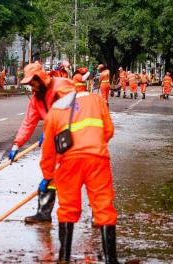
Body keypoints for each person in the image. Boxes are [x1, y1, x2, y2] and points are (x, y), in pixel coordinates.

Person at [40, 89, 119, 263]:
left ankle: (64, 257)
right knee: (103, 206)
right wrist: (93, 145)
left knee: (67, 208)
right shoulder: (96, 99)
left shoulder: (54, 111)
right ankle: (111, 260)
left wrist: (48, 175)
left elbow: (48, 151)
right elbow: (109, 131)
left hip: (69, 164)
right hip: (97, 160)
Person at [8, 62, 76, 223]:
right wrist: (16, 145)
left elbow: (72, 111)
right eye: (29, 83)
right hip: (56, 137)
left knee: (75, 174)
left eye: (33, 81)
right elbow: (28, 122)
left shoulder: (61, 86)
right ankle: (44, 214)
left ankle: (96, 212)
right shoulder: (36, 99)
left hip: (74, 134)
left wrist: (50, 130)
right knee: (49, 173)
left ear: (40, 78)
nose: (32, 86)